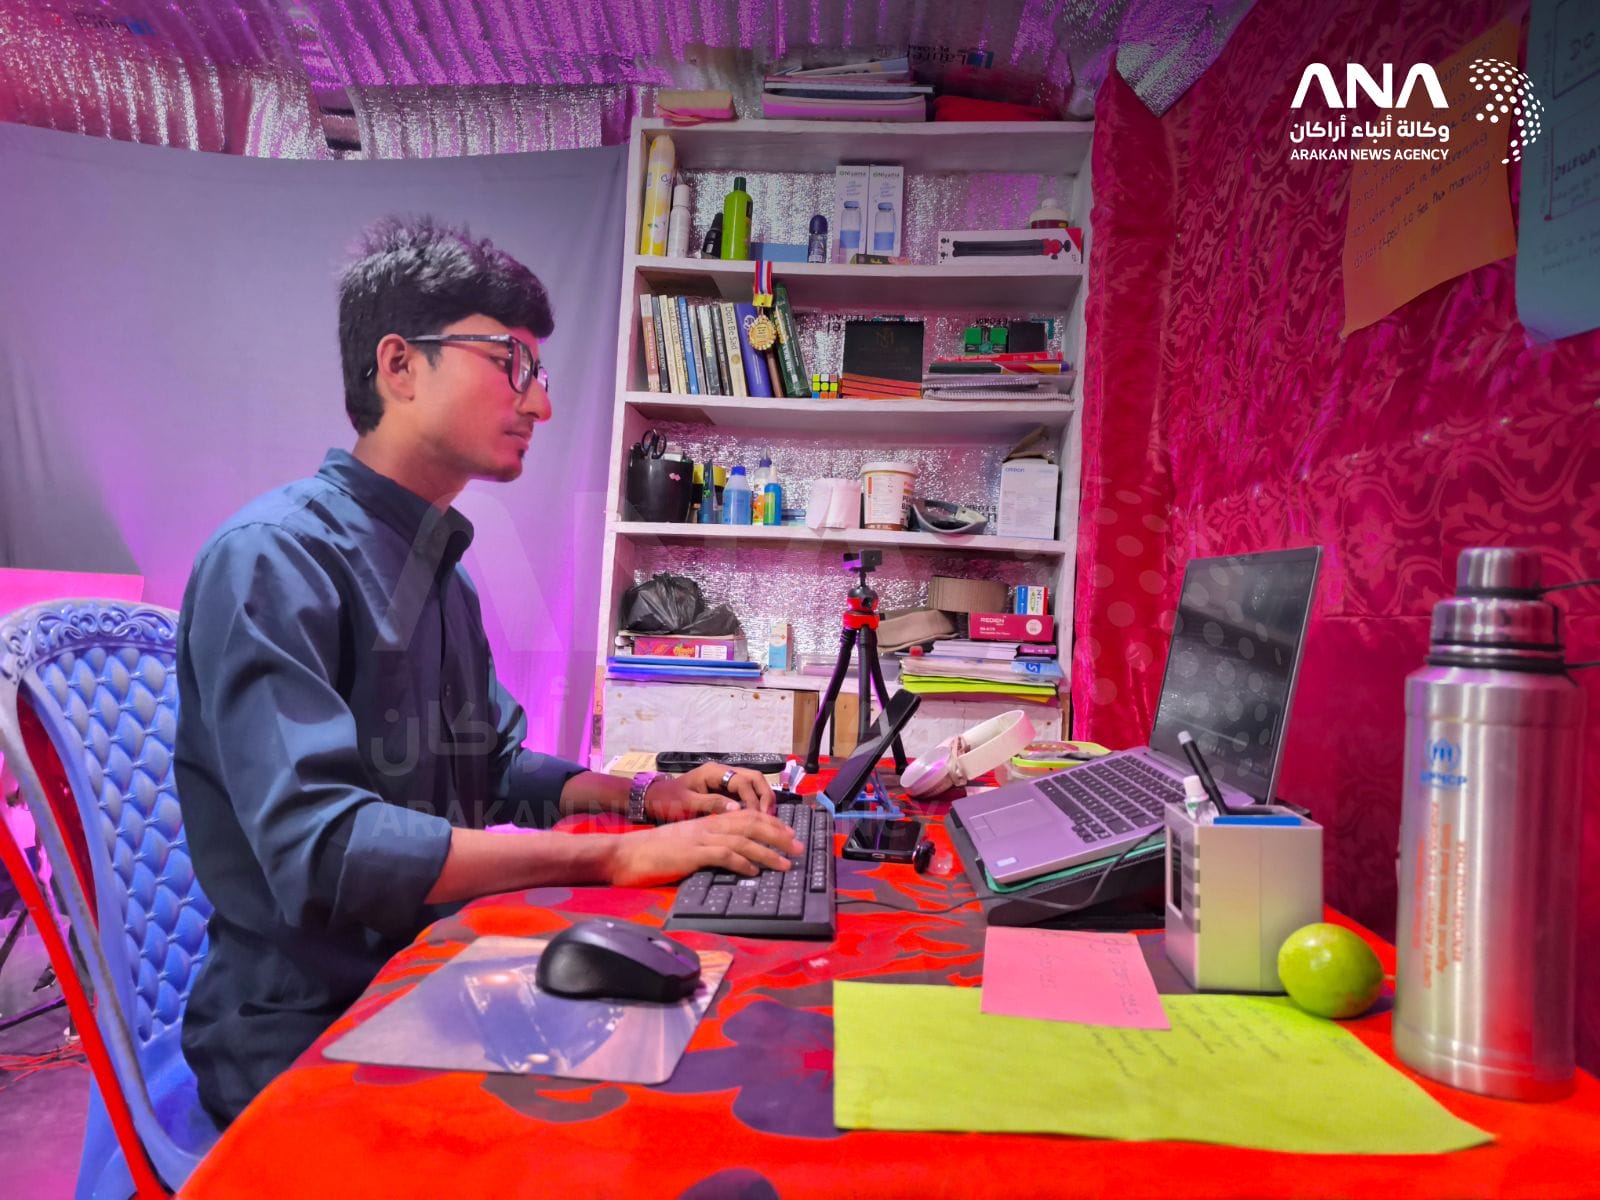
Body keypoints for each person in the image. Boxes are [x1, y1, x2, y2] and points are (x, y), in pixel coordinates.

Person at [174, 216, 801, 1126]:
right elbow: (330, 850)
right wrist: (619, 855)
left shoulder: (437, 570)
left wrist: (635, 800)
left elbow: (492, 766)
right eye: (510, 362)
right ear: (399, 366)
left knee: (724, 1036)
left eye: (538, 372)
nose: (540, 403)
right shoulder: (274, 558)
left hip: (428, 973)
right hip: (305, 1033)